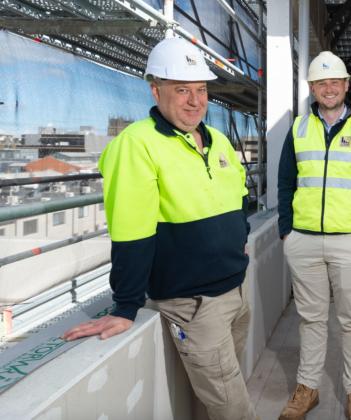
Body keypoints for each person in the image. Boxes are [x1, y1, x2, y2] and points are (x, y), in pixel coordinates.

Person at [63, 37, 257, 420]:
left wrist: (241, 242)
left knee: (227, 394)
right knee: (235, 410)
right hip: (194, 305)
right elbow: (132, 230)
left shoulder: (216, 139)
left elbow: (238, 198)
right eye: (181, 89)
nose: (194, 100)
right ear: (155, 90)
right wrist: (126, 305)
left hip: (235, 291)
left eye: (200, 90)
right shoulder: (136, 145)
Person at [277, 51, 351, 420]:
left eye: (335, 82)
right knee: (310, 318)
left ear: (346, 85)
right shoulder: (297, 129)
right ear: (312, 87)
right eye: (321, 82)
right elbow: (284, 183)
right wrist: (286, 233)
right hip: (303, 241)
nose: (329, 88)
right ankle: (308, 388)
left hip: (350, 241)